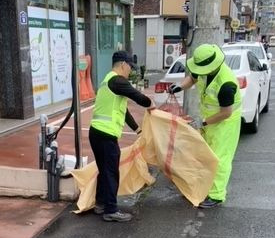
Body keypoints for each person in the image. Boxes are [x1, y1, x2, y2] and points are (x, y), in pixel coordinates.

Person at [168, 44, 241, 209]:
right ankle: (204, 187)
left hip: (226, 123)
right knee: (204, 154)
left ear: (212, 66)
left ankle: (216, 195)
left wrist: (203, 122)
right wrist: (180, 86)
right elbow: (192, 78)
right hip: (209, 119)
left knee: (220, 158)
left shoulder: (226, 85)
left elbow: (226, 113)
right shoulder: (204, 69)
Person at [89, 51, 155, 222]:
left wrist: (137, 129)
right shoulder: (118, 80)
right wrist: (150, 105)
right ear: (123, 64)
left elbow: (122, 110)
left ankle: (100, 204)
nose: (130, 71)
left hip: (96, 133)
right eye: (129, 68)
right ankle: (111, 210)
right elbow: (137, 96)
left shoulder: (107, 81)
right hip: (105, 135)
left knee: (104, 170)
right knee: (111, 172)